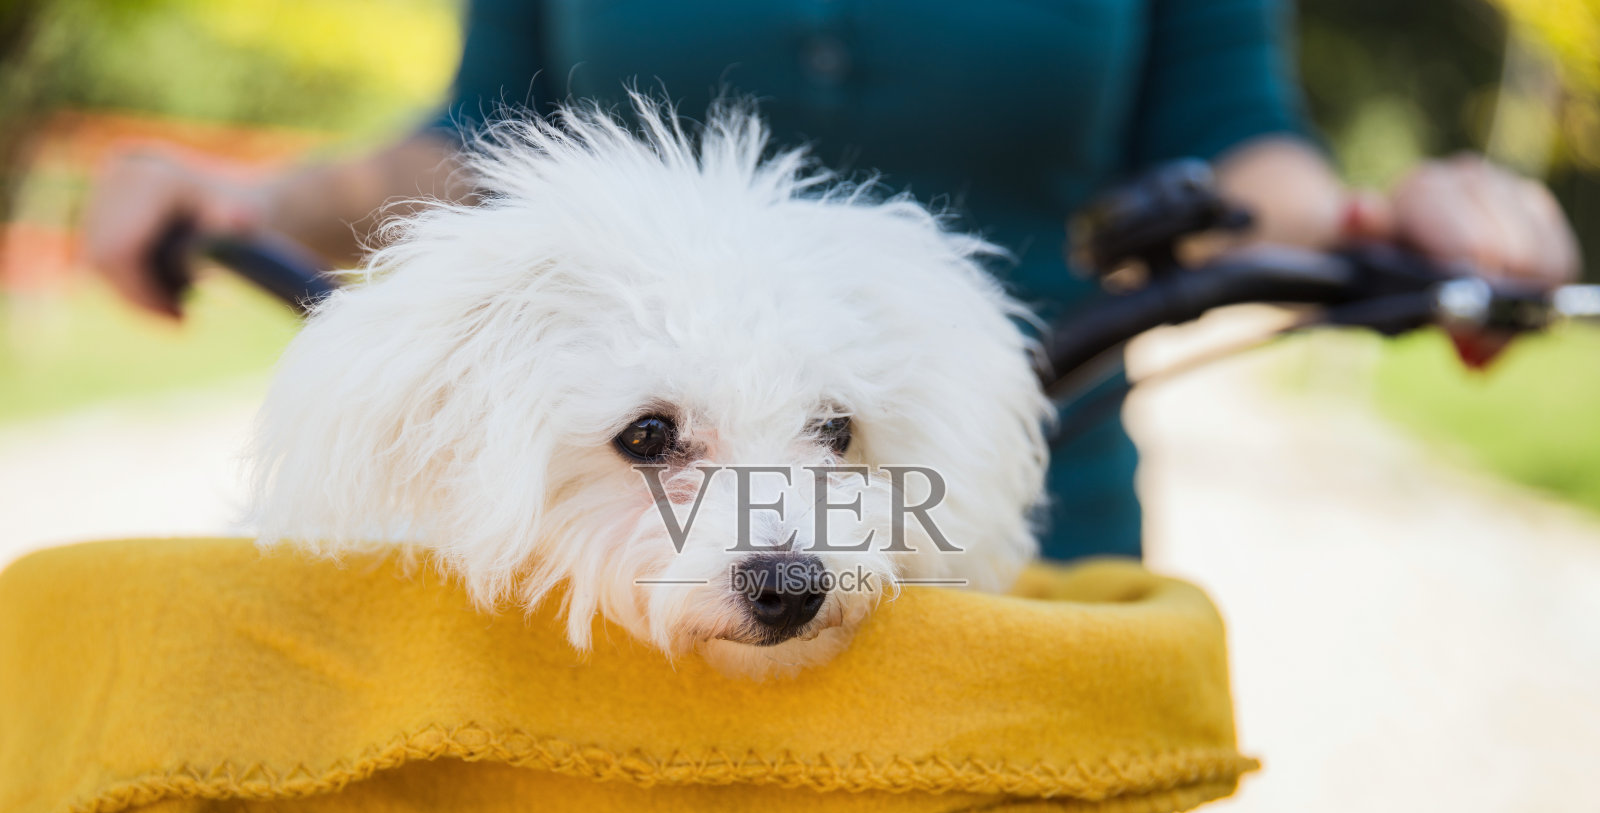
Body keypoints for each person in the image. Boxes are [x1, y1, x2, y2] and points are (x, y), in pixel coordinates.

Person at [82, 0, 1581, 562]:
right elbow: (482, 142)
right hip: (603, 557)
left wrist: (1393, 223)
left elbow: (1236, 152)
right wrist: (254, 202)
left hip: (1020, 511)